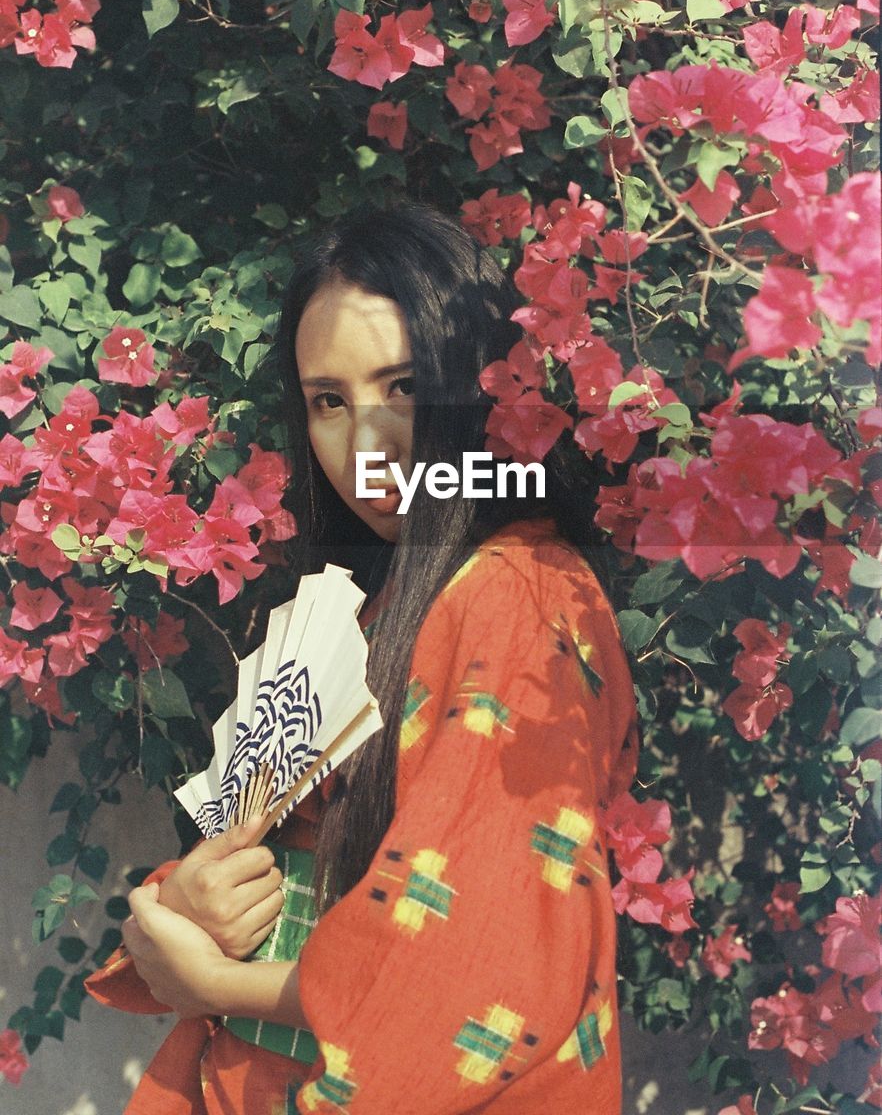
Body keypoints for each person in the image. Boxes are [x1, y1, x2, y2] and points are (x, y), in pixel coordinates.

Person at [86, 200, 639, 1114]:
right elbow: (271, 856)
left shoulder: (521, 594)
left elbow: (477, 967)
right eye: (328, 402)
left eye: (407, 388)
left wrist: (216, 985)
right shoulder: (373, 598)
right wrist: (186, 904)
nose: (368, 445)